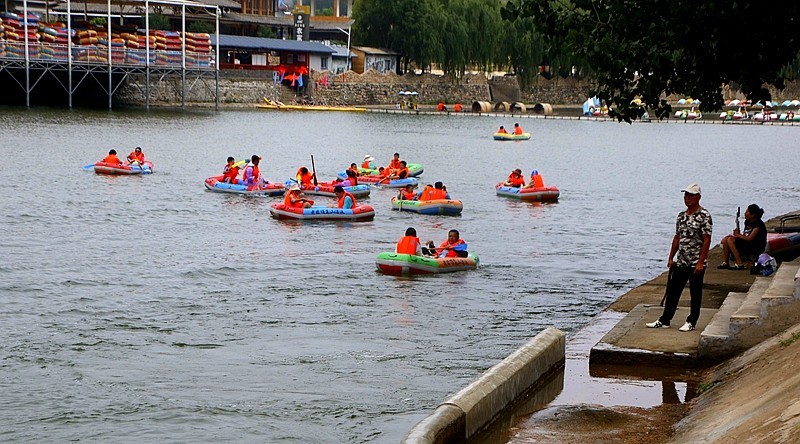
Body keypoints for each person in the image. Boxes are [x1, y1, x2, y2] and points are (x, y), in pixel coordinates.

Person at [646, 183, 712, 332]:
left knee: (695, 293)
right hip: (681, 261)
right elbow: (677, 237)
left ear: (698, 197)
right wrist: (671, 257)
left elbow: (707, 239)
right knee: (673, 291)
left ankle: (691, 321)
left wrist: (701, 262)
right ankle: (665, 319)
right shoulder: (681, 216)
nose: (687, 198)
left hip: (696, 262)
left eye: (690, 196)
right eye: (685, 196)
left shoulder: (704, 216)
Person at [718, 204, 767, 270]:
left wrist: (737, 235)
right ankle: (726, 262)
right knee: (725, 240)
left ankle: (739, 264)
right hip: (747, 243)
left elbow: (750, 238)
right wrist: (737, 234)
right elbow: (745, 235)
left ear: (752, 215)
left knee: (730, 240)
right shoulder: (747, 222)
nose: (745, 213)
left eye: (747, 212)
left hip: (755, 245)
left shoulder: (758, 224)